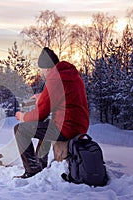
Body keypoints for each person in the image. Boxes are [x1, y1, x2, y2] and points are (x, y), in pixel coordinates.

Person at [14, 47, 89, 179]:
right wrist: (42, 96)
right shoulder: (70, 75)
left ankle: (32, 170)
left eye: (41, 70)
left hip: (66, 128)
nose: (42, 74)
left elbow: (40, 114)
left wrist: (22, 116)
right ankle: (39, 165)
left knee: (20, 129)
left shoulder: (54, 79)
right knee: (46, 126)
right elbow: (65, 96)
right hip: (79, 126)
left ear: (47, 68)